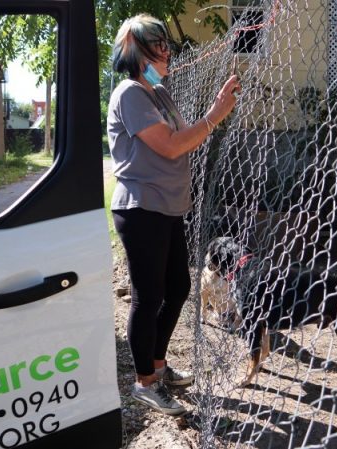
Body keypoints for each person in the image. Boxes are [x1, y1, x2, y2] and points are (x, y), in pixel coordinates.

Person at [107, 14, 240, 416]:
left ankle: (159, 366)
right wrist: (215, 115)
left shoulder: (158, 94)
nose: (167, 54)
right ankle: (144, 382)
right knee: (148, 297)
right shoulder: (130, 93)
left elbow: (184, 140)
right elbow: (169, 146)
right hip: (141, 207)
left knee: (179, 287)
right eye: (158, 47)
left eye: (167, 46)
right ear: (136, 51)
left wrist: (211, 115)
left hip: (167, 207)